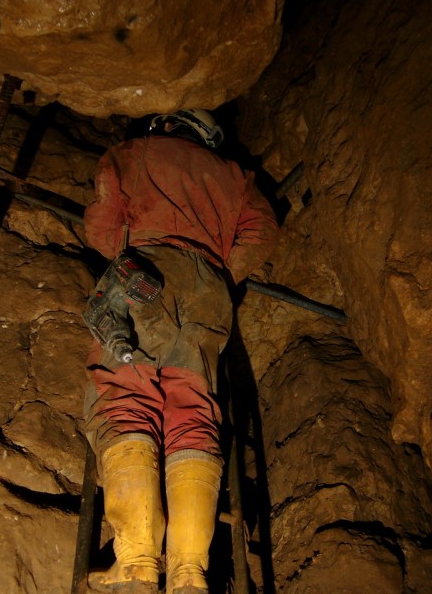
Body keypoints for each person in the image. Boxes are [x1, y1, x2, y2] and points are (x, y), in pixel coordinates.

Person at [83, 109, 280, 594]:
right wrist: (218, 272)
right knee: (194, 410)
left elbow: (101, 228)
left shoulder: (131, 154)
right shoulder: (236, 177)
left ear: (166, 125)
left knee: (126, 396)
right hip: (208, 291)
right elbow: (262, 232)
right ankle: (190, 573)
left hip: (142, 273)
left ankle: (136, 564)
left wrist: (130, 249)